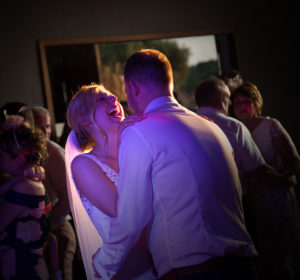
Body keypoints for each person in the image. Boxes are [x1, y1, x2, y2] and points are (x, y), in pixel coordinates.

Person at [93, 49, 257, 280]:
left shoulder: (139, 131)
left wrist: (103, 265)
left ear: (133, 87)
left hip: (195, 270)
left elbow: (131, 217)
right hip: (244, 267)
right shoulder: (211, 127)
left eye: (126, 91)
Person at [65, 84, 155, 280]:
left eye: (113, 97)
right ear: (84, 119)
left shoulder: (138, 152)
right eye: (101, 99)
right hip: (128, 271)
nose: (114, 100)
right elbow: (122, 212)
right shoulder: (83, 164)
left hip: (164, 260)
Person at [231, 81, 300, 280]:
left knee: (283, 253)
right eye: (237, 103)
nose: (242, 107)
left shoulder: (269, 125)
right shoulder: (234, 130)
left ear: (256, 103)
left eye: (247, 102)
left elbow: (294, 161)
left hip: (276, 198)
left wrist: (277, 179)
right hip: (252, 202)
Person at [195, 78, 290, 192]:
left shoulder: (185, 126)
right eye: (229, 98)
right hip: (233, 200)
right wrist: (283, 180)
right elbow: (258, 170)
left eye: (246, 102)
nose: (230, 103)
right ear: (220, 99)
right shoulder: (233, 127)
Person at [0, 115, 51, 279]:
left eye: (2, 156)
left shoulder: (25, 186)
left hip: (23, 270)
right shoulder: (21, 181)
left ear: (20, 158)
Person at [31, 106, 76, 280]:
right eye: (40, 127)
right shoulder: (31, 153)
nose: (45, 131)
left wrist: (47, 226)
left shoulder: (54, 152)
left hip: (58, 226)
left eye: (48, 126)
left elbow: (68, 198)